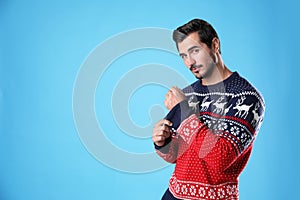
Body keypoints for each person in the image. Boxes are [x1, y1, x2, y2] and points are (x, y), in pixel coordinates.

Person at [152, 19, 265, 200]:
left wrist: (184, 111)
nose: (190, 62)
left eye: (194, 51)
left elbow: (220, 159)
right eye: (183, 56)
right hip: (173, 195)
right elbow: (175, 155)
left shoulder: (247, 98)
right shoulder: (188, 93)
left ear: (214, 44)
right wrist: (161, 141)